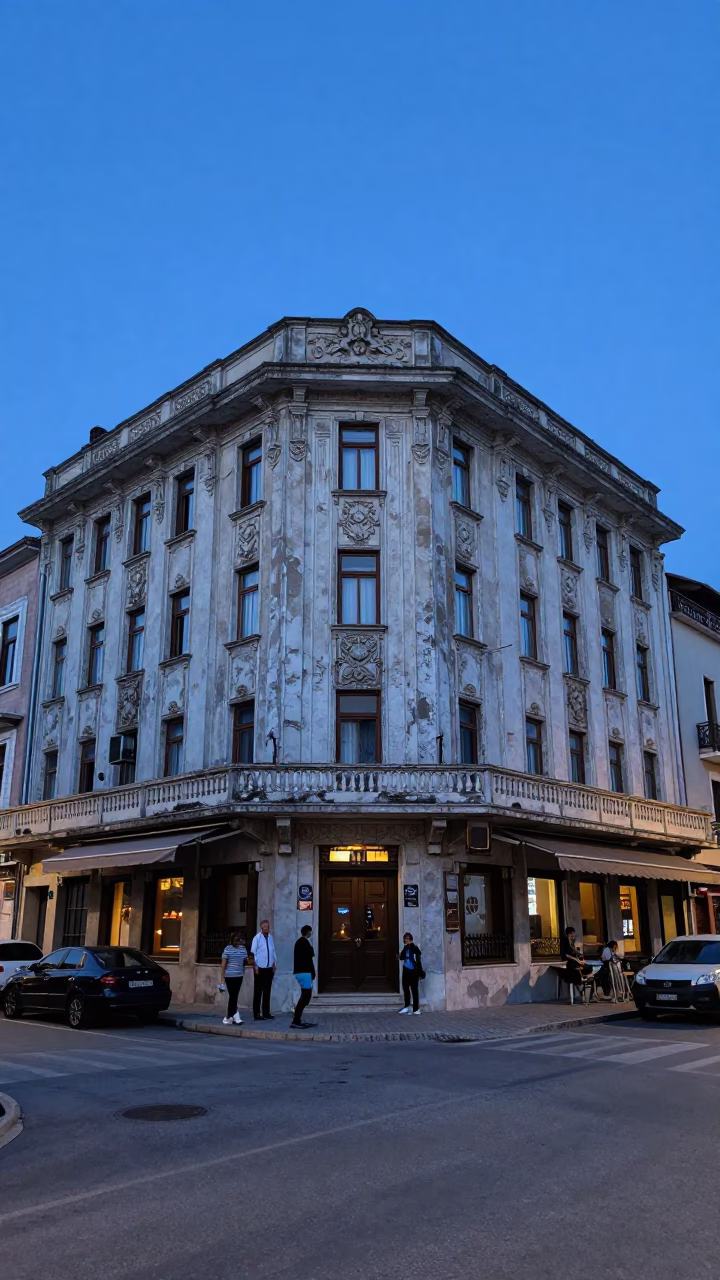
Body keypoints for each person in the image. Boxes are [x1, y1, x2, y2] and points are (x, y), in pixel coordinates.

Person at [249, 919, 277, 1020]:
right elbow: (253, 954)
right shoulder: (257, 938)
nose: (268, 928)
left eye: (268, 927)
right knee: (258, 991)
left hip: (269, 968)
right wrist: (255, 967)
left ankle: (266, 1012)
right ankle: (256, 1013)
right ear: (261, 927)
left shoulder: (270, 937)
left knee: (267, 990)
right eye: (266, 927)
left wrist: (274, 962)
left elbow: (273, 950)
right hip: (260, 968)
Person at [219, 930, 248, 1025]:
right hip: (230, 975)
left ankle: (229, 1017)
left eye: (238, 940)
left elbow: (245, 961)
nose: (237, 942)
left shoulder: (243, 949)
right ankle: (234, 1015)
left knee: (234, 996)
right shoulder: (228, 949)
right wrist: (222, 978)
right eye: (235, 940)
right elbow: (223, 965)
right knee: (233, 996)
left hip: (239, 975)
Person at [291, 924, 316, 1029]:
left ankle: (297, 1018)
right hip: (304, 972)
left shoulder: (299, 942)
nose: (311, 933)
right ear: (308, 932)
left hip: (301, 972)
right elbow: (309, 959)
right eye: (310, 931)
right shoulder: (304, 943)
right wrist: (313, 972)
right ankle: (296, 1020)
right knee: (306, 996)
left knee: (304, 996)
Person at [560, 925, 593, 996]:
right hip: (569, 962)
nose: (573, 935)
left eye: (573, 933)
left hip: (573, 960)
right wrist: (577, 960)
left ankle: (586, 978)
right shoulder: (565, 942)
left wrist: (579, 956)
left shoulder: (571, 942)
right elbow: (566, 955)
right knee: (579, 967)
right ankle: (582, 979)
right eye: (571, 933)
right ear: (568, 934)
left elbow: (574, 951)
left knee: (587, 966)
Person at [398, 932, 424, 1015]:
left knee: (414, 989)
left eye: (407, 938)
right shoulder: (405, 948)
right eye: (405, 938)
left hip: (413, 971)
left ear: (411, 939)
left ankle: (416, 1009)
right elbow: (401, 958)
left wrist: (419, 971)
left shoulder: (414, 948)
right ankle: (406, 1006)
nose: (406, 940)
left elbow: (418, 960)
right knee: (405, 988)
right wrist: (399, 955)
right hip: (406, 970)